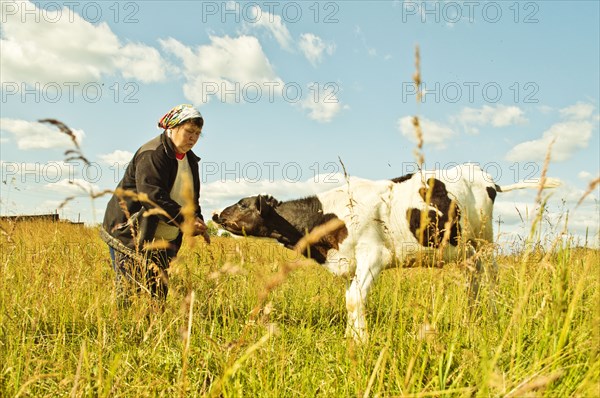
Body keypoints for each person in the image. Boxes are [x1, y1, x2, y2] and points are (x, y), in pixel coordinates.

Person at [100, 104, 209, 307]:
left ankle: (153, 333)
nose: (193, 138)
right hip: (130, 232)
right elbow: (151, 197)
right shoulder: (153, 154)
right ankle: (123, 334)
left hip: (164, 237)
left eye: (197, 133)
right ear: (172, 128)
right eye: (189, 132)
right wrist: (186, 220)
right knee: (129, 292)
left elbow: (192, 199)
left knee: (157, 294)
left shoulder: (191, 161)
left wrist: (198, 220)